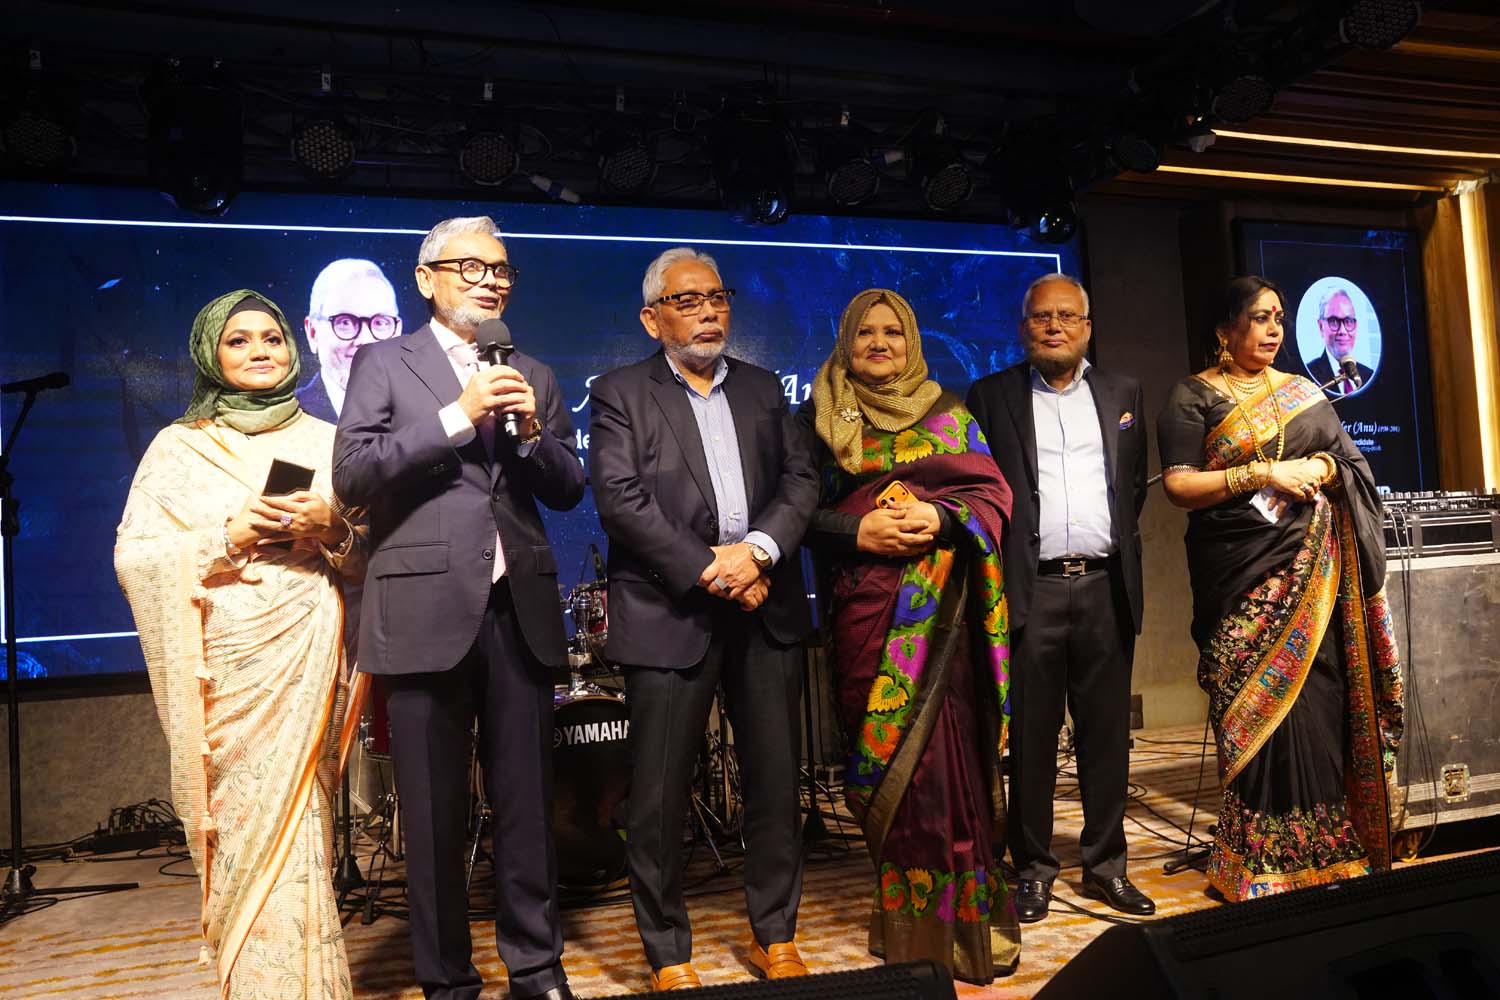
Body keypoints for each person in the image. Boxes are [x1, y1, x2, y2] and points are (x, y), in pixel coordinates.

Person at [333, 217, 584, 1000]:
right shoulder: (383, 362)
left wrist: (533, 435)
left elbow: (568, 488)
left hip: (518, 611)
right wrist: (456, 415)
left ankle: (536, 967)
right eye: (471, 266)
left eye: (501, 269)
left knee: (527, 804)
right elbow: (352, 474)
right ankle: (447, 981)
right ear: (426, 278)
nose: (490, 281)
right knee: (435, 813)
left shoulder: (533, 371)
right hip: (422, 611)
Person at [115, 289, 365, 999]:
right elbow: (136, 560)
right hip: (226, 673)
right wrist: (232, 534)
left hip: (306, 656)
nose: (259, 350)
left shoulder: (330, 441)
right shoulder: (179, 448)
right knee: (241, 827)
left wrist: (331, 529)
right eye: (239, 340)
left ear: (292, 348)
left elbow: (371, 559)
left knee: (302, 824)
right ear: (210, 355)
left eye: (271, 338)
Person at [589, 247, 818, 991]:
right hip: (669, 611)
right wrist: (712, 569)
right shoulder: (621, 393)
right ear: (652, 318)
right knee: (657, 795)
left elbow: (801, 480)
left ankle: (775, 935)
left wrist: (757, 553)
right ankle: (667, 951)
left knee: (775, 785)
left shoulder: (762, 389)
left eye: (717, 297)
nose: (709, 312)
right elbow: (621, 499)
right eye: (688, 301)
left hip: (765, 607)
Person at [1157, 275, 1403, 900]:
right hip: (1236, 573)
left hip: (1312, 574)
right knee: (1254, 707)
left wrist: (1320, 465)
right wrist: (1264, 472)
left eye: (1279, 318)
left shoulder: (1301, 391)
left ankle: (1328, 849)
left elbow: (1351, 463)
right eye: (1260, 318)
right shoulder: (1193, 394)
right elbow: (1179, 485)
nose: (1273, 330)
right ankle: (1258, 856)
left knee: (1318, 697)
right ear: (1226, 329)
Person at [799, 288, 1021, 982]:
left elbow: (993, 495)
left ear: (912, 342)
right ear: (846, 342)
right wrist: (858, 530)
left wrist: (943, 518)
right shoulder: (818, 420)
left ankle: (961, 929)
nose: (879, 343)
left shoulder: (949, 414)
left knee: (946, 768)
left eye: (892, 332)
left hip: (943, 621)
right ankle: (911, 928)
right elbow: (796, 513)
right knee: (890, 769)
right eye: (864, 332)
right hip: (864, 611)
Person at [966, 273, 1155, 922]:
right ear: (1024, 328)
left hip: (1106, 587)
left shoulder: (1124, 393)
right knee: (1032, 741)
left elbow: (1133, 487)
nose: (1054, 326)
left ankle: (1106, 867)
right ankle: (1034, 869)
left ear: (1087, 327)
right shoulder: (991, 397)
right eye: (1041, 317)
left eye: (1067, 316)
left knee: (1107, 738)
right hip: (1031, 589)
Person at [298, 258, 404, 421]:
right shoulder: (286, 420)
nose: (365, 340)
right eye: (345, 322)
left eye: (380, 323)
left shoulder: (427, 413)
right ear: (313, 333)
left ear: (397, 332)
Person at [1303, 287, 1374, 396]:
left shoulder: (1368, 376)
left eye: (1348, 321)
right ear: (1321, 326)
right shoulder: (1307, 378)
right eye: (1334, 321)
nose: (1343, 331)